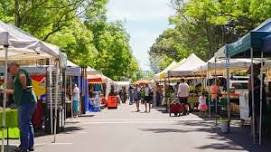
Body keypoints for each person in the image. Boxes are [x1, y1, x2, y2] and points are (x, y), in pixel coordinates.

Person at [4, 63, 37, 152]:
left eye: (10, 69)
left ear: (14, 67)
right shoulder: (17, 75)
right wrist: (5, 90)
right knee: (27, 124)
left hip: (25, 102)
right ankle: (30, 145)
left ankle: (24, 147)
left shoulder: (20, 72)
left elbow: (22, 77)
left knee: (23, 125)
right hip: (28, 102)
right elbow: (16, 91)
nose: (10, 71)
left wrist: (24, 86)